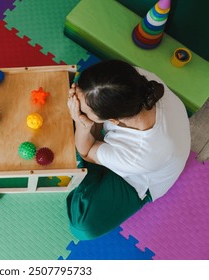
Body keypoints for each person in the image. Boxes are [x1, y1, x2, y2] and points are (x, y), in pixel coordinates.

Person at [66, 59, 190, 240]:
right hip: (145, 151)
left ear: (114, 120)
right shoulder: (135, 81)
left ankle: (95, 168)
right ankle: (97, 149)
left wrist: (81, 123)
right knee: (85, 94)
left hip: (139, 178)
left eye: (87, 111)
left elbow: (86, 152)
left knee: (83, 226)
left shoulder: (143, 154)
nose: (81, 109)